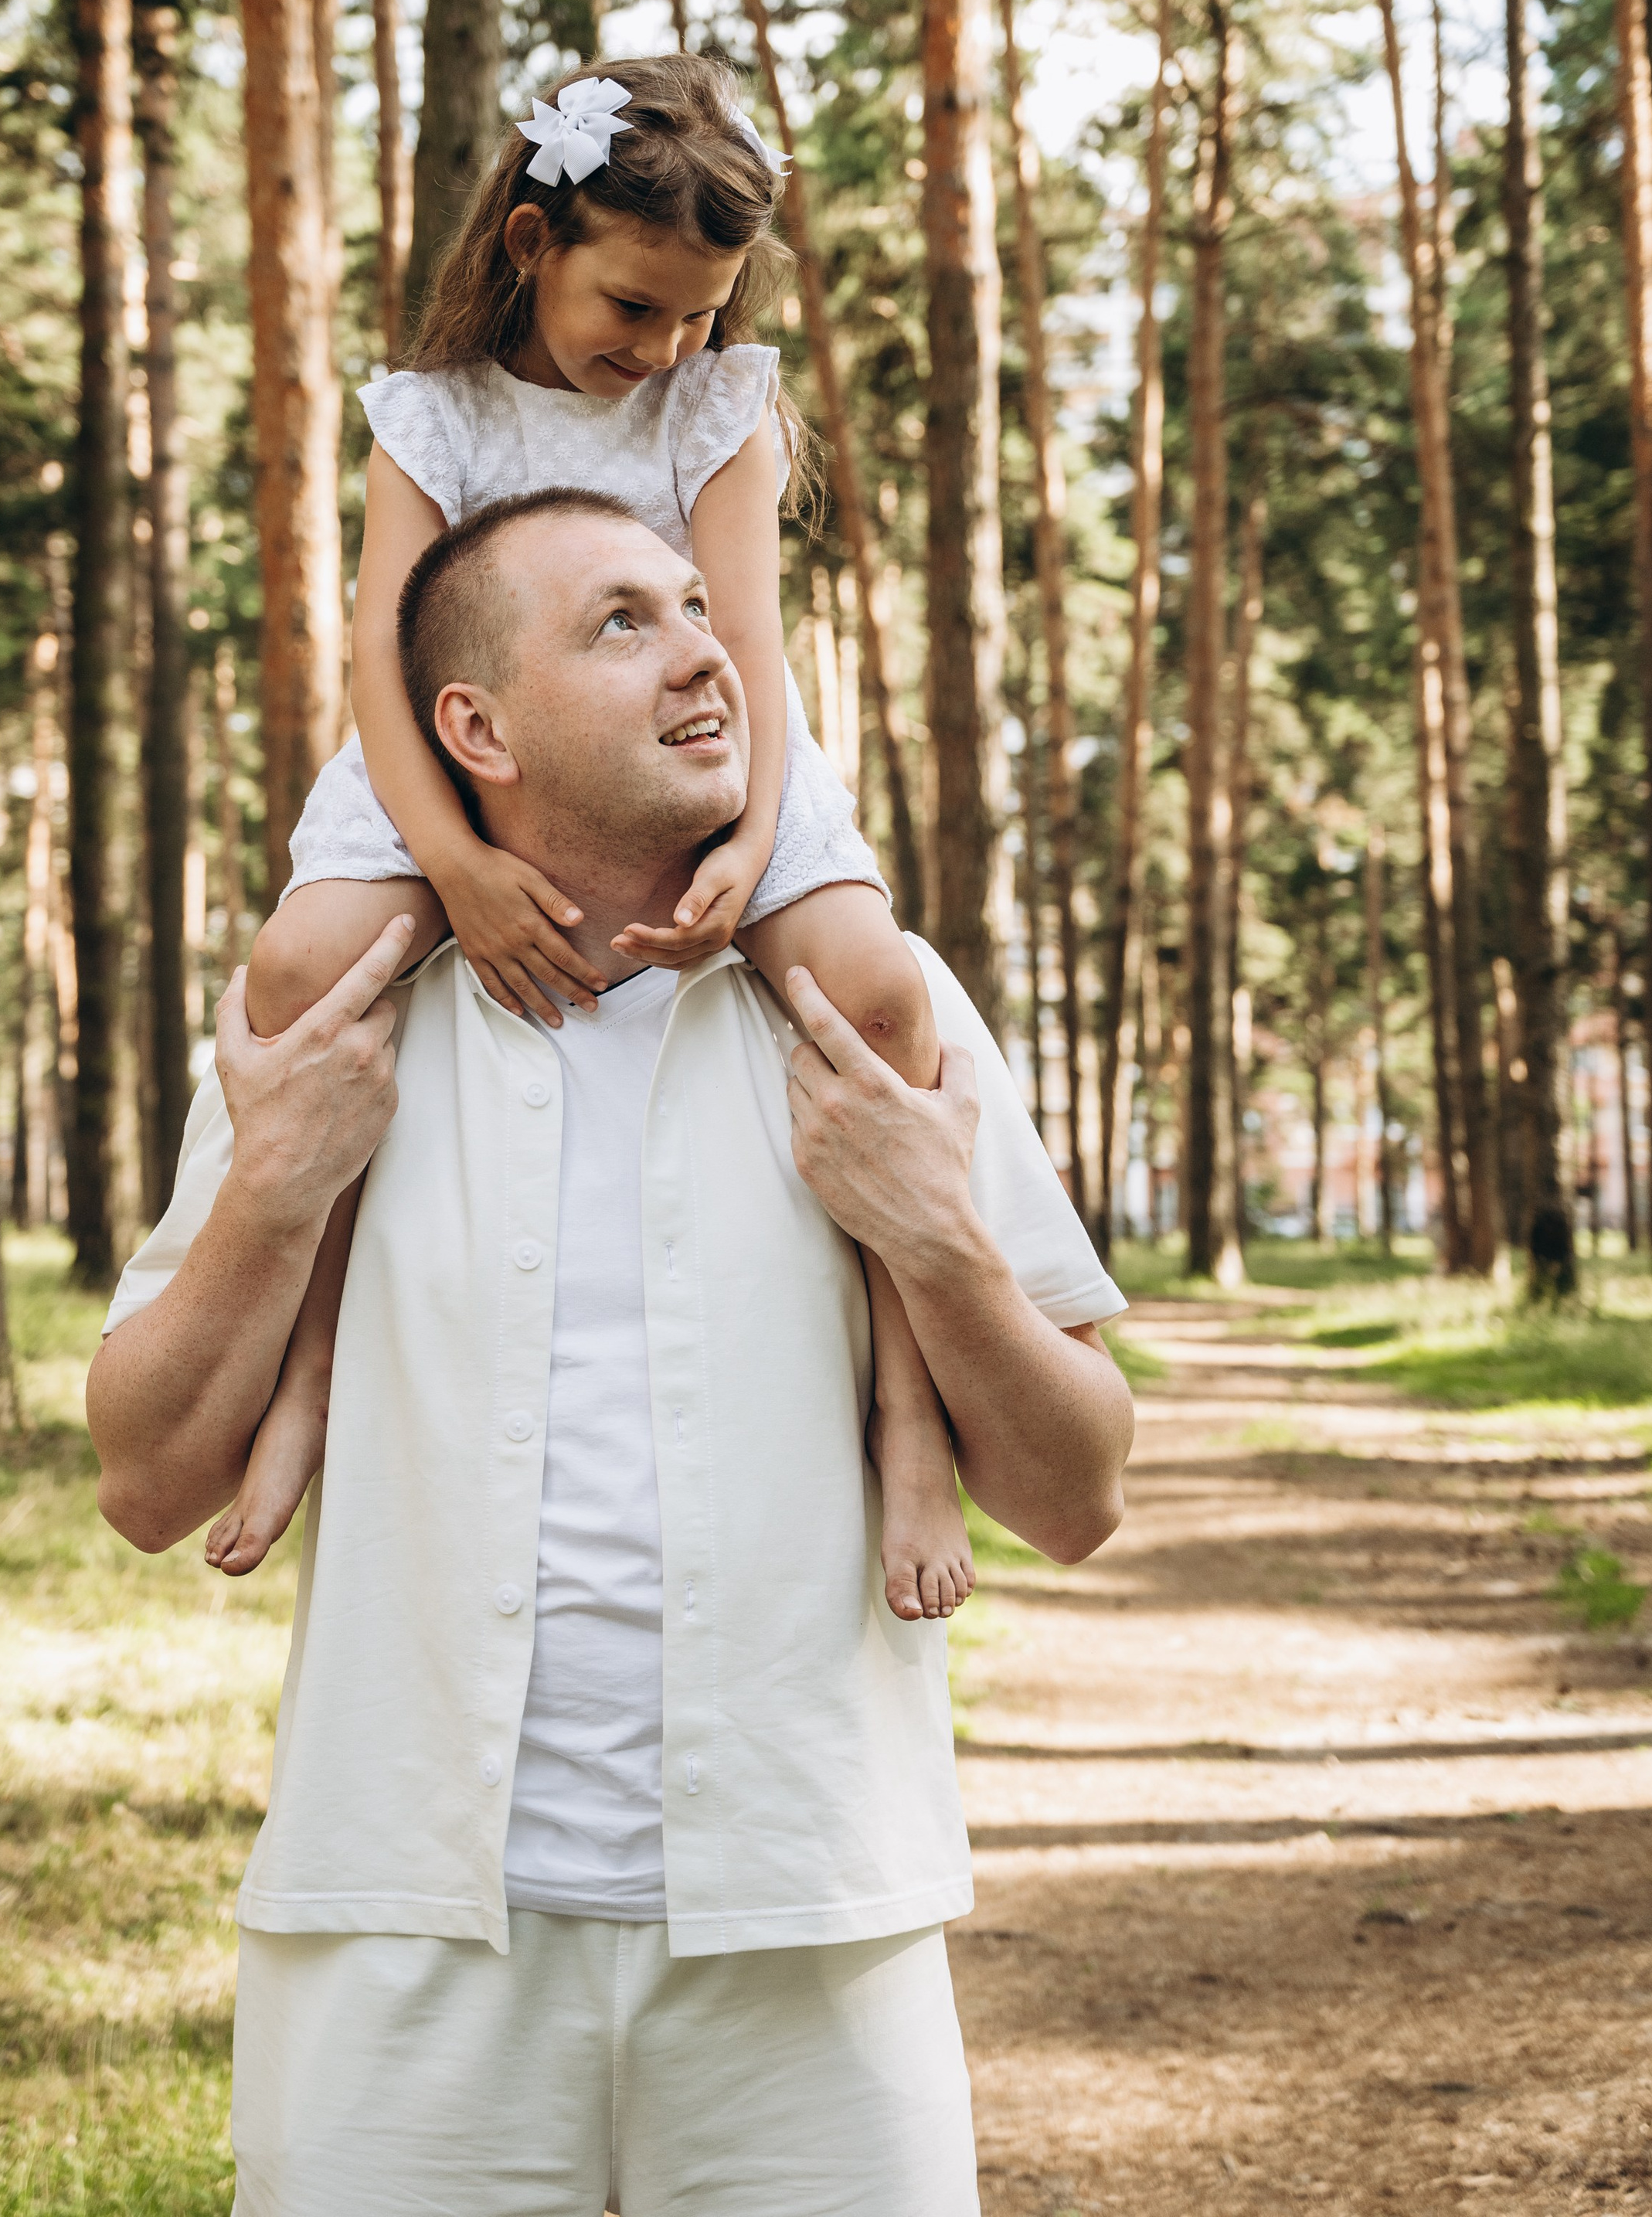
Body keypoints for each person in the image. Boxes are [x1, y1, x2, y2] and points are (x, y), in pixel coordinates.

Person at [87, 490, 1131, 2217]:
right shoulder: (334, 1022)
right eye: (620, 624)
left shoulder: (877, 1011)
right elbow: (145, 1482)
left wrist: (937, 1241)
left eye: (697, 609)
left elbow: (1077, 1494)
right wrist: (276, 1187)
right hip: (400, 1941)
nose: (703, 654)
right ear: (474, 730)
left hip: (812, 1935)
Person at [215, 54, 973, 1621]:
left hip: (710, 749)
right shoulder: (434, 418)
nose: (664, 346)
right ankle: (308, 1371)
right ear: (529, 243)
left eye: (699, 315)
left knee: (876, 989)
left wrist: (748, 839)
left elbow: (747, 647)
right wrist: (456, 867)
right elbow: (379, 665)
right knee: (301, 975)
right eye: (632, 306)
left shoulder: (717, 408)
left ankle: (908, 1412)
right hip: (449, 757)